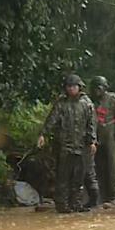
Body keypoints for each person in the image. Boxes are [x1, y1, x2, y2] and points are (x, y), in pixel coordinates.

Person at [38, 74, 97, 213]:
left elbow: (92, 124)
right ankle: (62, 205)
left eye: (73, 86)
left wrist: (93, 141)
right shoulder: (61, 103)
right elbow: (51, 120)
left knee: (78, 177)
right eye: (68, 86)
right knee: (62, 176)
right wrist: (43, 134)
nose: (71, 89)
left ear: (79, 87)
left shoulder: (86, 103)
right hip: (64, 145)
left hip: (81, 146)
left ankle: (76, 204)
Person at [90, 75, 115, 206]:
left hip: (111, 133)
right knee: (99, 165)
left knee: (113, 164)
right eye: (95, 88)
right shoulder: (92, 102)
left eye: (99, 88)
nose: (97, 91)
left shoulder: (112, 98)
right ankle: (101, 194)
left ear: (105, 88)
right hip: (97, 135)